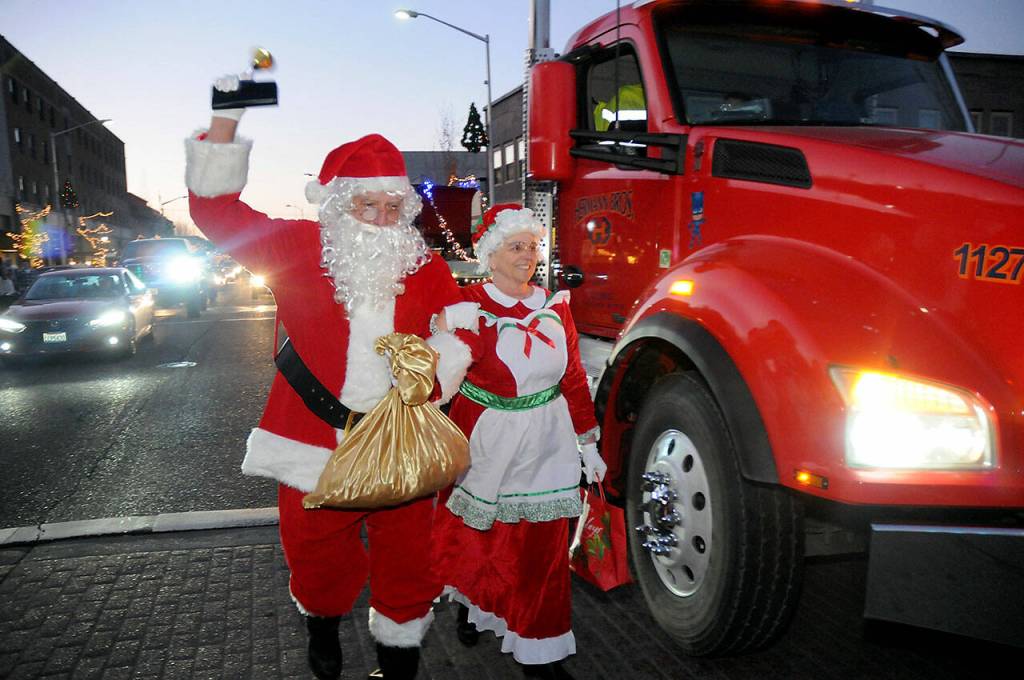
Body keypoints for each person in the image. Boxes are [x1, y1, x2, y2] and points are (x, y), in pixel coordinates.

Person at [185, 75, 477, 680]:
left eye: (393, 207)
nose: (380, 217)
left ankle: (401, 656)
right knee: (314, 555)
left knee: (409, 560)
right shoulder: (294, 248)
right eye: (368, 205)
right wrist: (226, 121)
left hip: (403, 440)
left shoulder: (420, 265)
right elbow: (215, 212)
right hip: (315, 442)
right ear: (340, 204)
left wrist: (441, 365)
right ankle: (322, 624)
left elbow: (464, 328)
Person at [431, 204, 607, 680]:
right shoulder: (468, 306)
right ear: (491, 254)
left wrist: (588, 442)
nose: (528, 255)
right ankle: (472, 605)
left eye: (532, 246)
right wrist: (444, 333)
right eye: (516, 246)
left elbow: (571, 376)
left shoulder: (553, 305)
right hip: (487, 436)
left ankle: (539, 649)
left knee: (542, 552)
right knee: (481, 541)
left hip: (548, 439)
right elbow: (432, 382)